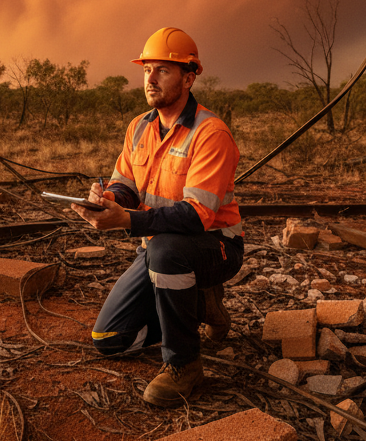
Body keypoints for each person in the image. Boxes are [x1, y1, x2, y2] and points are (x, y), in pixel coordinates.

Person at [72, 27, 243, 407]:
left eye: (162, 70)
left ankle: (185, 364)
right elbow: (125, 183)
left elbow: (197, 216)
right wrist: (107, 199)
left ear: (189, 76)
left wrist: (127, 221)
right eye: (147, 69)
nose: (150, 79)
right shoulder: (139, 127)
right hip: (158, 246)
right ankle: (200, 306)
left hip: (216, 246)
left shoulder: (210, 133)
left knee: (167, 252)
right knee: (109, 341)